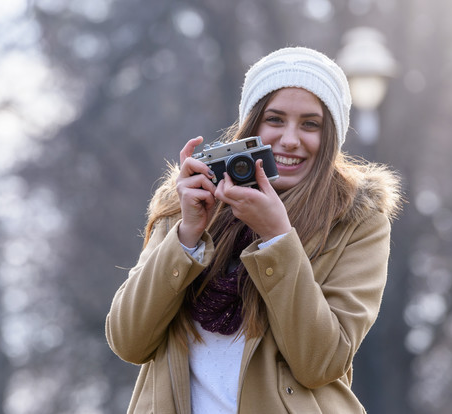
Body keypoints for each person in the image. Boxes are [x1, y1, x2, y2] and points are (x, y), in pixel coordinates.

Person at [106, 46, 402, 413]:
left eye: (311, 124)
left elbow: (320, 363)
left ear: (332, 137)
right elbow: (128, 341)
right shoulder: (190, 199)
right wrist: (187, 236)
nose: (291, 140)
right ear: (250, 125)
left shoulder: (356, 220)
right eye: (275, 120)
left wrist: (277, 238)